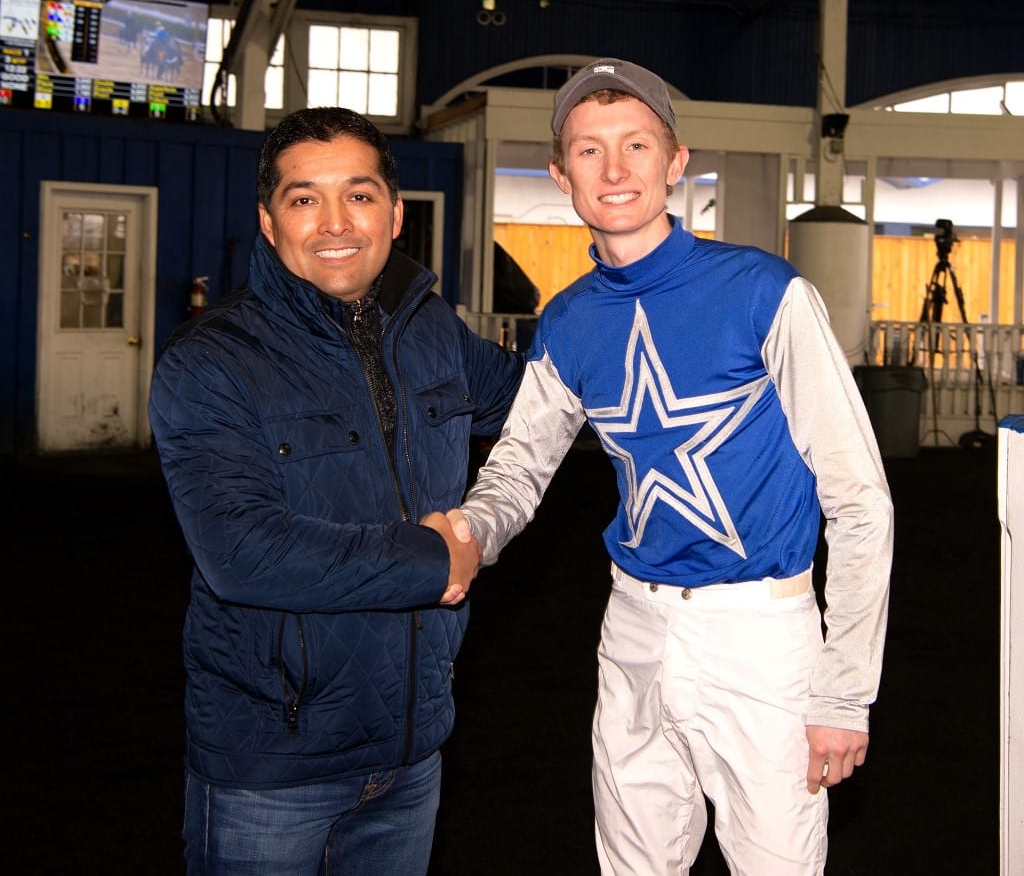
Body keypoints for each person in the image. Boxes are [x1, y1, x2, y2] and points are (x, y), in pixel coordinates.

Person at [449, 58, 893, 875]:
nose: (614, 170)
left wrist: (842, 690)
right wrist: (469, 532)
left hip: (760, 635)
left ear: (676, 163)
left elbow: (860, 499)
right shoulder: (569, 319)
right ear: (560, 173)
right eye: (589, 151)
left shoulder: (767, 292)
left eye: (636, 146)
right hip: (634, 630)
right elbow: (519, 466)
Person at [148, 106, 524, 875]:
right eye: (302, 198)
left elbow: (544, 397)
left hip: (412, 750)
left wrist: (626, 304)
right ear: (268, 220)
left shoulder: (432, 332)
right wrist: (434, 559)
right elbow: (241, 552)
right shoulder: (212, 362)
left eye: (357, 194)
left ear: (394, 212)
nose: (333, 222)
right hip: (273, 765)